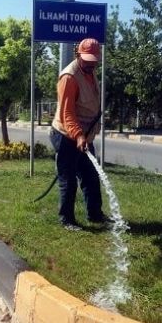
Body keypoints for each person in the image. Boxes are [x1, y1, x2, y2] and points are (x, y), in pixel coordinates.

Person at [49, 38, 111, 231]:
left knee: (90, 176)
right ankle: (66, 220)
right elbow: (67, 113)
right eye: (87, 60)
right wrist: (78, 135)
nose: (91, 64)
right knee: (68, 179)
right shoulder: (69, 77)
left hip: (83, 135)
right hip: (66, 135)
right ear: (78, 54)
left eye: (94, 60)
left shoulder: (90, 72)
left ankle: (95, 214)